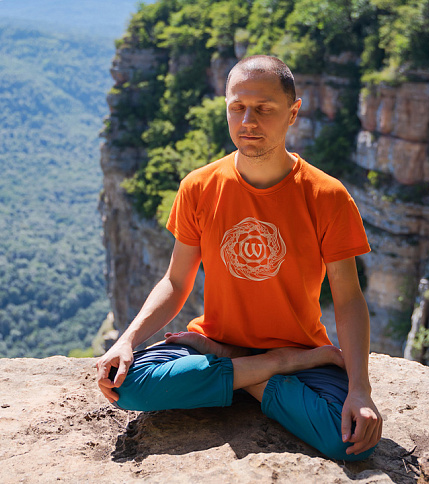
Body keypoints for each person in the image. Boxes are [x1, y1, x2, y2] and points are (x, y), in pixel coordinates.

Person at [94, 55, 382, 460]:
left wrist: (360, 390)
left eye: (264, 109)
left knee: (349, 441)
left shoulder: (326, 196)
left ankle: (242, 369)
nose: (248, 121)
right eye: (237, 107)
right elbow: (176, 282)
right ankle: (269, 365)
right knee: (122, 383)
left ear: (293, 113)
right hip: (218, 344)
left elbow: (349, 298)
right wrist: (126, 341)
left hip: (304, 355)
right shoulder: (199, 187)